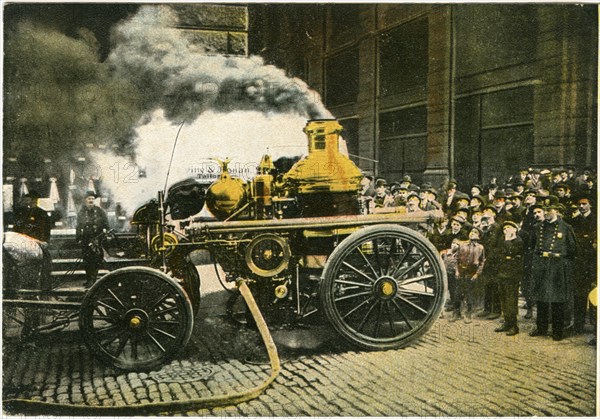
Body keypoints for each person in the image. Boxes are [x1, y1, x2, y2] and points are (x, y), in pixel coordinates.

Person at [529, 196, 577, 341]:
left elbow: (573, 249)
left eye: (549, 210)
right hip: (542, 265)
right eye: (545, 210)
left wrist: (563, 264)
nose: (546, 212)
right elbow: (532, 246)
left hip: (557, 267)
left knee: (557, 301)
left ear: (556, 210)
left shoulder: (565, 227)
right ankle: (541, 327)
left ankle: (557, 330)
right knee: (541, 298)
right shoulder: (538, 227)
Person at [569, 196, 596, 334]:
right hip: (579, 264)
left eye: (584, 204)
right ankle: (578, 325)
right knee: (579, 296)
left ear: (590, 205)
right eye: (579, 204)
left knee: (594, 298)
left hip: (592, 263)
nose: (581, 206)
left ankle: (595, 330)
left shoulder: (596, 220)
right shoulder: (575, 221)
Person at [494, 221, 524, 336]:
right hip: (502, 273)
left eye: (508, 227)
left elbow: (512, 252)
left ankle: (514, 325)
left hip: (512, 275)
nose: (505, 230)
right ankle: (507, 322)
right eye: (504, 228)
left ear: (515, 230)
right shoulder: (503, 241)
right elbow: (500, 254)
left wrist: (507, 242)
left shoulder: (518, 241)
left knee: (511, 300)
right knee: (503, 299)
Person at [76, 190, 109, 288]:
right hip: (86, 239)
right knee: (86, 260)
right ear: (86, 200)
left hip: (97, 239)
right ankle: (88, 279)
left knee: (95, 260)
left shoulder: (100, 211)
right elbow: (78, 226)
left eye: (92, 199)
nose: (91, 200)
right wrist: (78, 238)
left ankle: (93, 280)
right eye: (89, 199)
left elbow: (106, 224)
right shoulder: (82, 212)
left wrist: (104, 231)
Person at [453, 227, 486, 323]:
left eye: (475, 232)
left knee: (469, 294)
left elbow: (482, 262)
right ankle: (456, 313)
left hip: (471, 272)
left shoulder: (480, 248)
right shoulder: (462, 245)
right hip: (461, 270)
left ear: (479, 236)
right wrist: (456, 271)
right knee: (458, 293)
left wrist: (477, 274)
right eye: (471, 231)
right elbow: (456, 258)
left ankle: (468, 314)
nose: (472, 233)